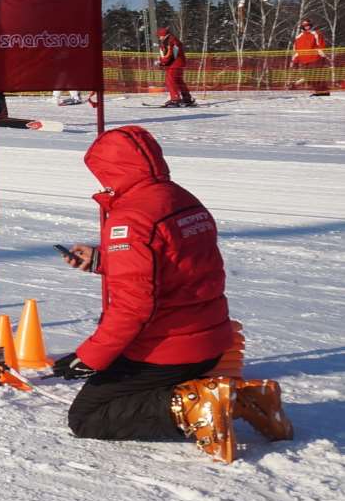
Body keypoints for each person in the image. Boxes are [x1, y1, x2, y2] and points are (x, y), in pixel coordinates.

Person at [53, 126, 290, 462]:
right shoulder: (181, 198)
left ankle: (193, 409)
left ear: (112, 170)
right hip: (210, 340)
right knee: (130, 388)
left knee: (88, 416)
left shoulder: (131, 218)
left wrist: (90, 358)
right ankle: (244, 399)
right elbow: (176, 268)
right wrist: (102, 261)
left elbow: (133, 307)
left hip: (167, 349)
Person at [291, 19, 330, 96]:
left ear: (310, 25)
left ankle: (323, 92)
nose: (307, 27)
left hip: (315, 59)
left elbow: (320, 46)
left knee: (317, 76)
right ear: (302, 26)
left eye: (308, 25)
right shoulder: (298, 37)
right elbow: (296, 50)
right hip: (304, 60)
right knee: (308, 77)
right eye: (305, 25)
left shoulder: (316, 34)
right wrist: (294, 61)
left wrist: (323, 56)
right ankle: (318, 91)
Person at [155, 27, 194, 107]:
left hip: (175, 64)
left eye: (159, 36)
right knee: (178, 81)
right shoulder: (172, 39)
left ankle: (175, 99)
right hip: (179, 63)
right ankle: (187, 98)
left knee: (170, 80)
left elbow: (169, 54)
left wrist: (162, 62)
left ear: (163, 34)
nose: (159, 37)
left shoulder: (169, 41)